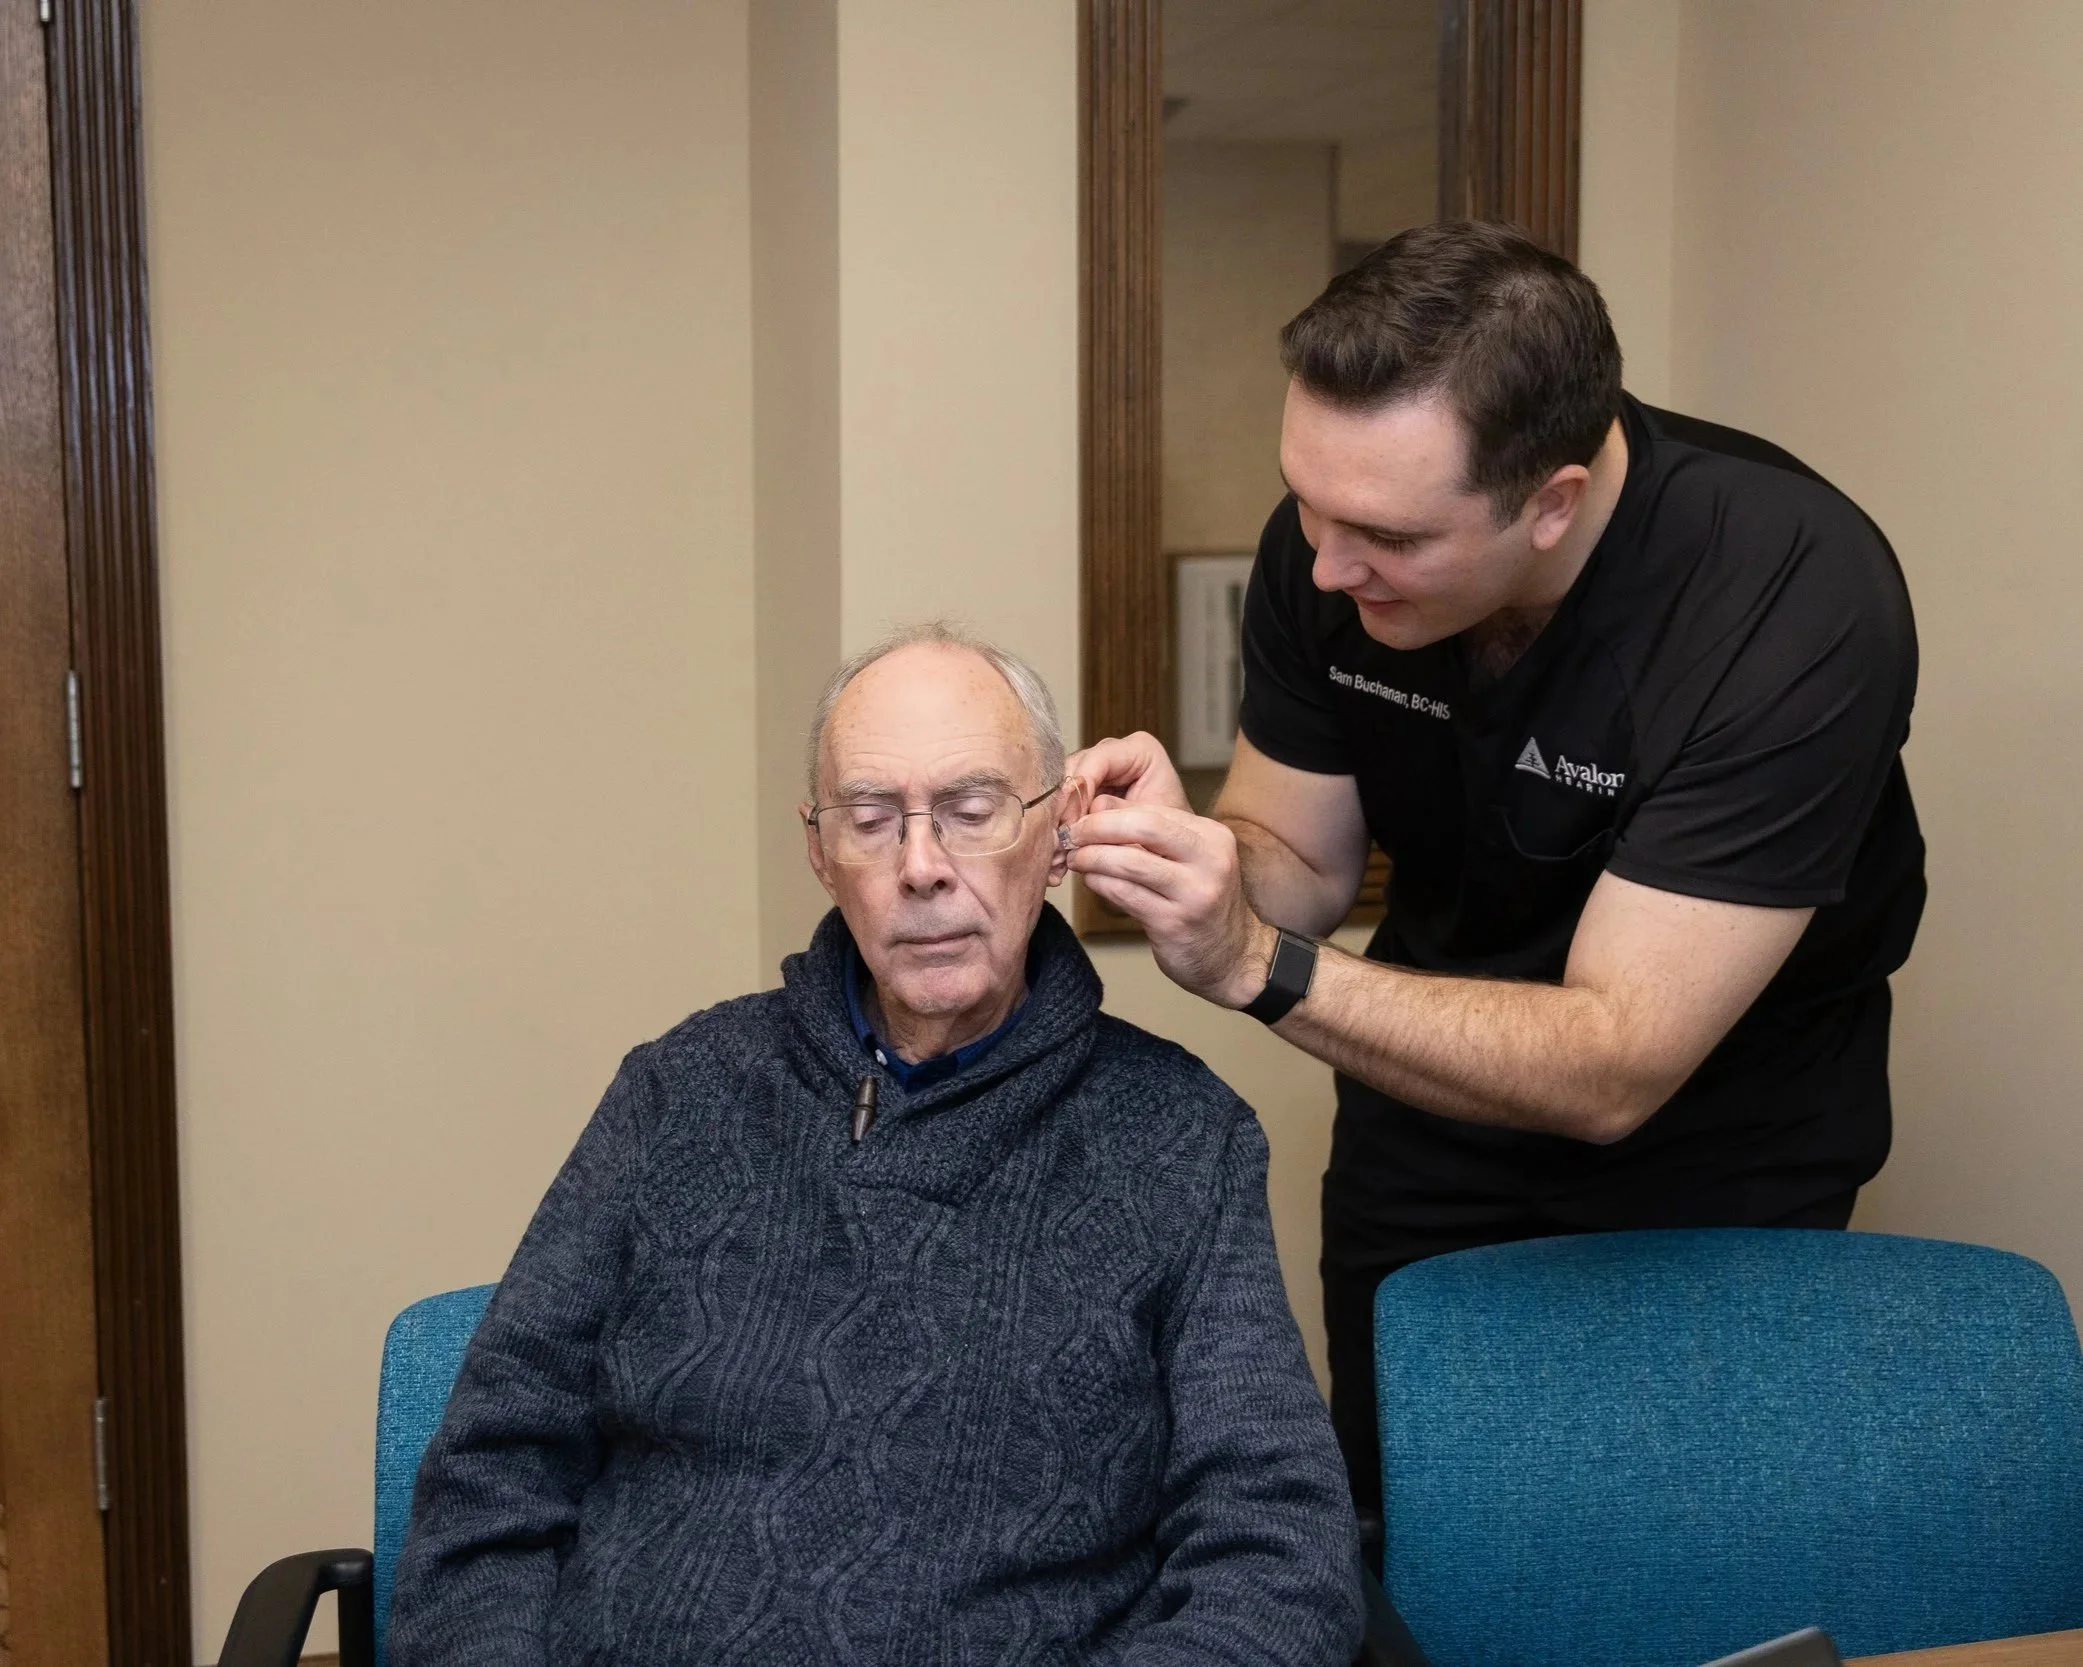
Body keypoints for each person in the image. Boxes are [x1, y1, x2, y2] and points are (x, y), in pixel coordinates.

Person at [1065, 221, 1926, 1539]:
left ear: (1552, 502)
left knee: (1665, 1549)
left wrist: (1253, 962)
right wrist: (1205, 868)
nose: (1324, 565)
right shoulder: (1328, 546)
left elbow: (1613, 1064)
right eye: (1306, 503)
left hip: (1714, 1140)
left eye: (1385, 536)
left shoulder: (1784, 594)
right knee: (1405, 1530)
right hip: (1424, 1109)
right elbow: (1299, 859)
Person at [389, 622, 1365, 1666]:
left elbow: (1277, 1560)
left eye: (971, 811)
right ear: (819, 852)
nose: (922, 867)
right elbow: (488, 1483)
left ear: (1058, 836)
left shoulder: (1182, 1136)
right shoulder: (678, 1089)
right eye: (869, 820)